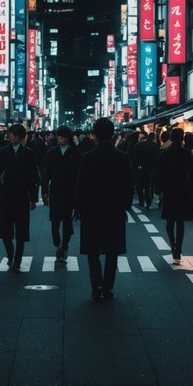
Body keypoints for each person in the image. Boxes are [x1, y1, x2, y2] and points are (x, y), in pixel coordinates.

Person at [74, 117, 134, 300]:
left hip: (92, 209)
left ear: (95, 135)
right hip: (114, 209)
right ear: (112, 134)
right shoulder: (122, 157)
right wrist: (125, 206)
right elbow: (129, 185)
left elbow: (81, 185)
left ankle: (96, 283)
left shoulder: (88, 157)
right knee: (112, 250)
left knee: (92, 249)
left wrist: (78, 208)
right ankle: (108, 286)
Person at [0, 124, 39, 271]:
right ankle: (10, 254)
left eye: (13, 134)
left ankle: (17, 259)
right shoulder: (3, 152)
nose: (10, 137)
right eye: (10, 134)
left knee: (21, 230)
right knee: (5, 228)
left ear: (19, 136)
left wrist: (33, 198)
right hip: (6, 193)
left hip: (22, 195)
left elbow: (33, 177)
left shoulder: (29, 153)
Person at [155, 127, 193, 264]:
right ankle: (178, 250)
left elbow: (160, 174)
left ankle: (173, 245)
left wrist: (159, 190)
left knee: (169, 222)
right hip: (183, 191)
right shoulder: (187, 154)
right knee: (180, 222)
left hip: (169, 190)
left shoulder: (164, 154)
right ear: (182, 139)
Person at [42, 125, 81, 263]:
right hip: (56, 191)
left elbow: (79, 175)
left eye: (63, 137)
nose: (60, 139)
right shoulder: (51, 152)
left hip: (70, 192)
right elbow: (46, 173)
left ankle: (64, 246)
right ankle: (57, 244)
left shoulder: (76, 153)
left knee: (67, 221)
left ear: (68, 137)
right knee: (54, 221)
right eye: (59, 137)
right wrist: (44, 191)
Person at [130, 132, 158, 209]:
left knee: (139, 187)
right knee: (147, 187)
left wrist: (134, 168)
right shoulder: (150, 146)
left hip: (139, 170)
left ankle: (141, 202)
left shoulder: (136, 146)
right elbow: (152, 159)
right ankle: (148, 202)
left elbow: (134, 160)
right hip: (148, 170)